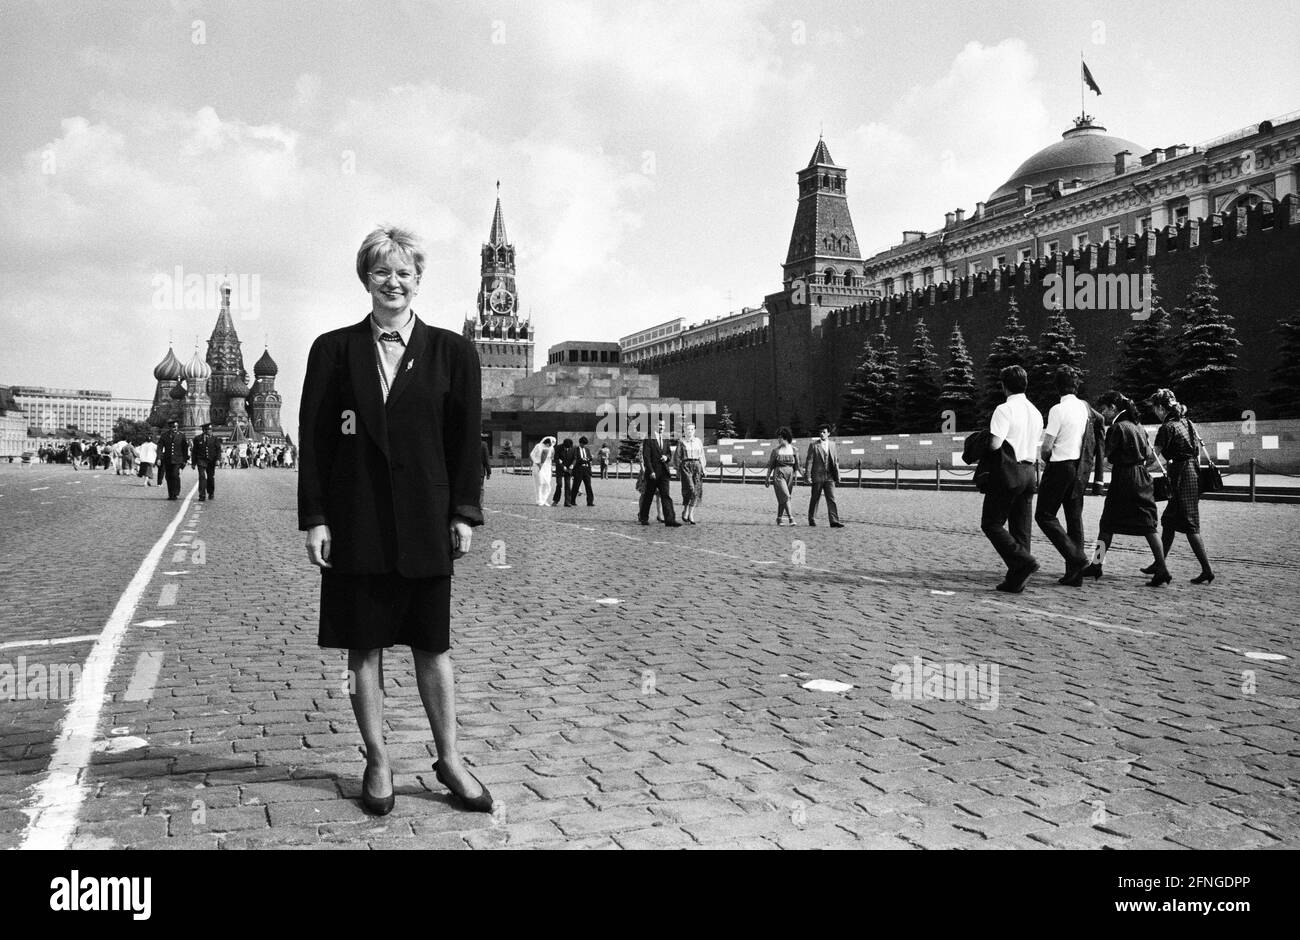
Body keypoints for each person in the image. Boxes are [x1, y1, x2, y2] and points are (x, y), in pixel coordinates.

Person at [299, 225, 491, 816]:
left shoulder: (453, 352)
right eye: (382, 271)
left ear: (418, 280)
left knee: (433, 647)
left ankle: (450, 759)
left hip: (425, 520)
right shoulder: (332, 349)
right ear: (366, 278)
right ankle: (378, 759)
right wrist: (316, 518)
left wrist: (463, 512)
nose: (394, 282)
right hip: (356, 521)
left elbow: (465, 441)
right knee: (365, 648)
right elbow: (315, 439)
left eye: (404, 272)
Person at [1082, 391, 1170, 587]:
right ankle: (1162, 568)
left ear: (1114, 408)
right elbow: (1148, 454)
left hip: (1123, 479)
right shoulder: (1138, 426)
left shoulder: (1117, 428)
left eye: (1105, 409)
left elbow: (1104, 457)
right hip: (1142, 477)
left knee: (1107, 523)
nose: (1103, 413)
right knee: (1148, 525)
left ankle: (1096, 565)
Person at [981, 365, 1044, 592]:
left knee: (991, 523)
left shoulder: (1004, 410)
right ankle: (1016, 579)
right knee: (1021, 529)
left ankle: (1025, 562)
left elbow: (995, 444)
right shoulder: (1036, 412)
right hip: (1029, 473)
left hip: (1009, 471)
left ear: (1004, 386)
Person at [1146, 388, 1215, 584]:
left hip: (1181, 475)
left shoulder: (1167, 428)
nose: (1154, 413)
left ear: (1161, 407)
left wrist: (1139, 466)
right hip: (1192, 472)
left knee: (1191, 524)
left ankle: (1207, 570)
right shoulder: (1187, 422)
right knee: (1169, 521)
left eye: (1155, 409)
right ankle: (1159, 564)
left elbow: (1153, 458)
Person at [1035, 367, 1092, 586]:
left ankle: (1077, 559)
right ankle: (1074, 575)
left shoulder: (1058, 410)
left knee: (1045, 515)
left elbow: (1047, 447)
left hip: (1059, 466)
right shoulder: (1085, 408)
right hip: (1079, 468)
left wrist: (1045, 457)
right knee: (1074, 519)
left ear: (1057, 386)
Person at [638, 419, 680, 527]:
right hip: (653, 473)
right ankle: (643, 518)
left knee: (666, 496)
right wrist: (651, 471)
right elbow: (646, 457)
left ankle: (670, 520)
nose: (662, 427)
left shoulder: (665, 438)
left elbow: (669, 454)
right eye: (660, 425)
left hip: (664, 472)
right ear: (655, 426)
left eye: (663, 425)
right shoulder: (648, 439)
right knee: (648, 496)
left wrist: (666, 457)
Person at [804, 425, 843, 527]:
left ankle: (834, 521)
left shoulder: (832, 445)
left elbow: (835, 461)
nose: (822, 434)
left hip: (830, 476)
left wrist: (838, 475)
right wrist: (808, 476)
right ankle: (811, 519)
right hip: (817, 476)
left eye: (824, 432)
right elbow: (809, 461)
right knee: (815, 498)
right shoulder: (813, 445)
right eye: (820, 432)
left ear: (828, 433)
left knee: (831, 498)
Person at [764, 427, 801, 525]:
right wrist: (767, 478)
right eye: (778, 437)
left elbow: (797, 466)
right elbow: (771, 465)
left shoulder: (794, 450)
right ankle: (791, 518)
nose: (779, 439)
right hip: (779, 474)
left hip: (790, 475)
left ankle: (779, 518)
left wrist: (806, 476)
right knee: (786, 496)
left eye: (781, 437)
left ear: (786, 438)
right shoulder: (776, 451)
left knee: (783, 498)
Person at [673, 422, 706, 524]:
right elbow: (677, 457)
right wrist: (677, 469)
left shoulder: (698, 441)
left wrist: (703, 469)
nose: (690, 431)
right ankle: (685, 509)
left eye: (692, 429)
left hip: (697, 466)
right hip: (686, 466)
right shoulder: (681, 442)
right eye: (688, 429)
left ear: (694, 430)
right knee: (689, 489)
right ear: (684, 431)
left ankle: (690, 513)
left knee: (696, 490)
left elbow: (701, 455)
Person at [157, 420, 188, 500]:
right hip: (168, 459)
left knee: (175, 475)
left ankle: (176, 491)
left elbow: (185, 448)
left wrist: (185, 460)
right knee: (168, 476)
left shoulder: (181, 435)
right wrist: (159, 458)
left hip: (178, 459)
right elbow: (160, 447)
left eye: (176, 427)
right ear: (169, 427)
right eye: (172, 427)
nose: (174, 428)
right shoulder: (164, 436)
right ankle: (171, 494)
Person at [191, 423, 221, 501]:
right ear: (204, 430)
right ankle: (202, 494)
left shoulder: (215, 439)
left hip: (211, 461)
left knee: (210, 478)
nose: (210, 431)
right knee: (202, 477)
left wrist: (218, 459)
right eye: (208, 429)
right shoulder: (197, 439)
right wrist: (193, 463)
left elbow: (218, 450)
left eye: (210, 429)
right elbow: (194, 451)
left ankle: (211, 492)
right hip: (201, 460)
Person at [530, 437, 555, 506]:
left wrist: (551, 467)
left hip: (547, 467)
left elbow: (551, 458)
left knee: (547, 483)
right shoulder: (538, 446)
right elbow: (532, 454)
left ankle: (544, 499)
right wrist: (537, 462)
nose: (550, 445)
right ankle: (539, 500)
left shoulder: (551, 448)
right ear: (546, 442)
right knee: (539, 483)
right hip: (538, 466)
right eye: (549, 444)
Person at [572, 436, 595, 506]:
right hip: (579, 469)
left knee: (588, 486)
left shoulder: (587, 450)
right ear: (580, 443)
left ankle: (590, 502)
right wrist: (582, 460)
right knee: (576, 486)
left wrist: (589, 459)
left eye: (585, 444)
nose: (584, 445)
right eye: (583, 444)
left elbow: (589, 457)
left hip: (586, 470)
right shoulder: (575, 449)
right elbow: (575, 459)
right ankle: (572, 501)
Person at [552, 438, 576, 506]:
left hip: (569, 469)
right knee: (559, 484)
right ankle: (556, 500)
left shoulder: (573, 448)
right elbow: (556, 459)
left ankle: (567, 502)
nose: (567, 449)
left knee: (568, 485)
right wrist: (563, 466)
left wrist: (572, 465)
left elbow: (575, 458)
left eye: (569, 448)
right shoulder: (558, 448)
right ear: (563, 445)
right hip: (560, 468)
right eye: (566, 448)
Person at [479, 434, 492, 506]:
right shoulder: (483, 445)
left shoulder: (470, 444)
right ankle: (480, 504)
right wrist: (488, 472)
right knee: (480, 488)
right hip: (480, 471)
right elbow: (486, 459)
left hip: (470, 470)